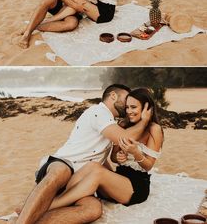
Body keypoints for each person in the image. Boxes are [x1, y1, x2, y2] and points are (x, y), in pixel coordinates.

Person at [13, 84, 152, 224]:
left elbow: (99, 157)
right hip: (62, 163)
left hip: (80, 181)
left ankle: (32, 218)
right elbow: (125, 139)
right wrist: (144, 121)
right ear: (113, 96)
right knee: (62, 171)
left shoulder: (111, 123)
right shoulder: (98, 112)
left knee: (93, 209)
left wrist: (110, 177)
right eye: (126, 99)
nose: (128, 105)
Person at [47, 88, 164, 210]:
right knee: (92, 165)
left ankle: (53, 204)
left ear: (147, 108)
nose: (129, 111)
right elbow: (113, 158)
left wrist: (136, 153)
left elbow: (149, 165)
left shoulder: (154, 129)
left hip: (134, 187)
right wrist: (119, 157)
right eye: (127, 107)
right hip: (117, 181)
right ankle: (64, 196)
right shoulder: (123, 125)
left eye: (133, 107)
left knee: (98, 173)